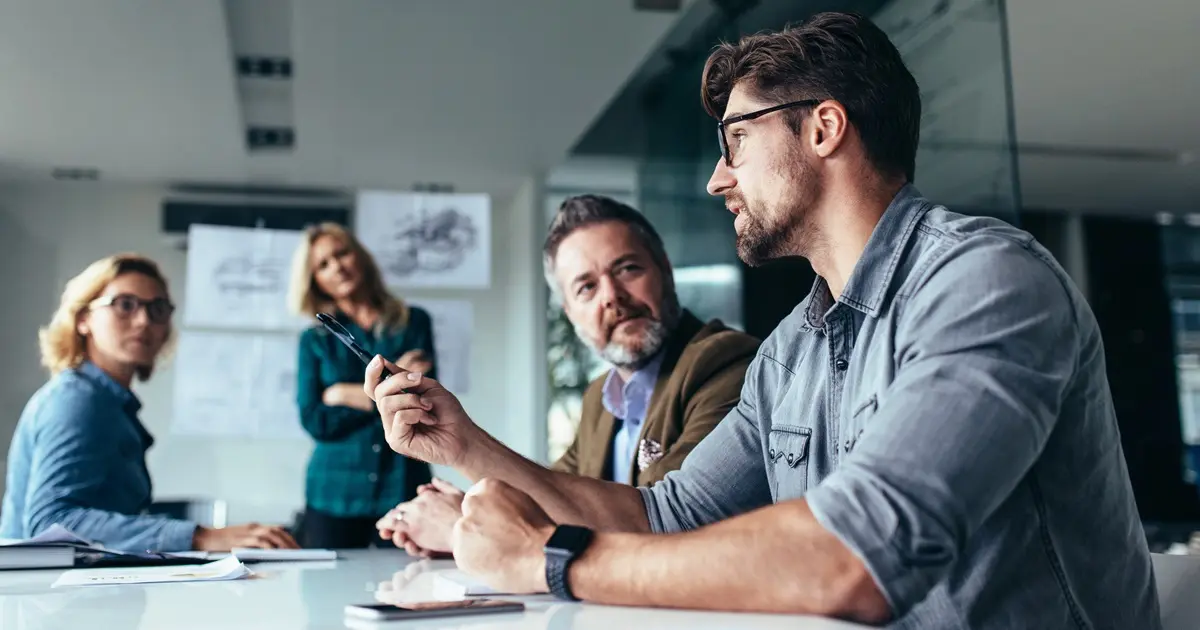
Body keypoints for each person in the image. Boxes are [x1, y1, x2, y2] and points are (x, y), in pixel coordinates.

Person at [361, 12, 1160, 629]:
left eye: (736, 141)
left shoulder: (987, 281)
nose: (717, 179)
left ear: (823, 128)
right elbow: (664, 516)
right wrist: (460, 443)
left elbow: (858, 559)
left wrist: (552, 560)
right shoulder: (792, 352)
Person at [375, 195, 760, 556]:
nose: (611, 296)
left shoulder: (725, 363)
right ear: (569, 312)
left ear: (664, 270)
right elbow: (554, 497)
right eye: (586, 287)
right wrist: (471, 506)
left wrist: (464, 526)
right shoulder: (601, 397)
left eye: (627, 269)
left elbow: (660, 527)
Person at [0, 254, 298, 552]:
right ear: (83, 319)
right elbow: (50, 523)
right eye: (124, 305)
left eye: (157, 309)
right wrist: (200, 536)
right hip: (45, 595)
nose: (144, 321)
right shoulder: (77, 400)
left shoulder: (109, 404)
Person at [289, 222, 436, 549]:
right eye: (323, 265)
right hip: (334, 492)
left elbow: (421, 403)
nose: (337, 267)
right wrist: (385, 395)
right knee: (327, 593)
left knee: (407, 587)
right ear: (314, 281)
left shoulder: (414, 323)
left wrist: (342, 394)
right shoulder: (314, 340)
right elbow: (315, 420)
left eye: (342, 254)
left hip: (401, 484)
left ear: (360, 257)